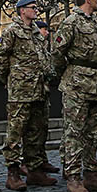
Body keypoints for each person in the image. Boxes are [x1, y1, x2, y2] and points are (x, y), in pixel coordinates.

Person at [51, 0, 97, 192]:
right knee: (75, 132)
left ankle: (91, 173)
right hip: (78, 83)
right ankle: (73, 177)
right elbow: (58, 53)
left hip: (96, 84)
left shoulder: (93, 23)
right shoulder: (71, 21)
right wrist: (69, 75)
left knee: (94, 132)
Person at [0, 0, 57, 190]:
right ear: (22, 11)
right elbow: (0, 57)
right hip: (20, 90)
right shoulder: (12, 31)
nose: (36, 10)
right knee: (16, 131)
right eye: (33, 8)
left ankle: (35, 170)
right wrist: (9, 79)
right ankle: (12, 173)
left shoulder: (36, 32)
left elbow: (43, 57)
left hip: (39, 89)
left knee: (36, 131)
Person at [34, 20, 60, 174]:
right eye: (44, 29)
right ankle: (25, 163)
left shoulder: (44, 47)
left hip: (43, 90)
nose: (47, 33)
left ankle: (41, 159)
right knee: (30, 129)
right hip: (28, 90)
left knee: (42, 127)